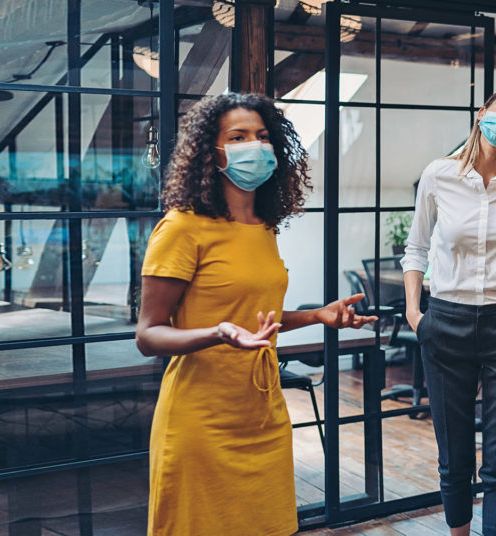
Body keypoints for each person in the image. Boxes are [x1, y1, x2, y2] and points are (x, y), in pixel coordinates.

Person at [136, 93, 376, 536]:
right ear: (212, 151)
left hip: (263, 411)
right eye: (239, 136)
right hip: (201, 419)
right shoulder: (182, 226)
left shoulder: (262, 227)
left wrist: (318, 316)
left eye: (263, 136)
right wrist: (217, 333)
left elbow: (256, 317)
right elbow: (149, 335)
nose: (256, 146)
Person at [401, 86, 496, 536]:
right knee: (452, 454)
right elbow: (416, 249)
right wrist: (416, 314)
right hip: (444, 323)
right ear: (481, 113)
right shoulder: (439, 175)